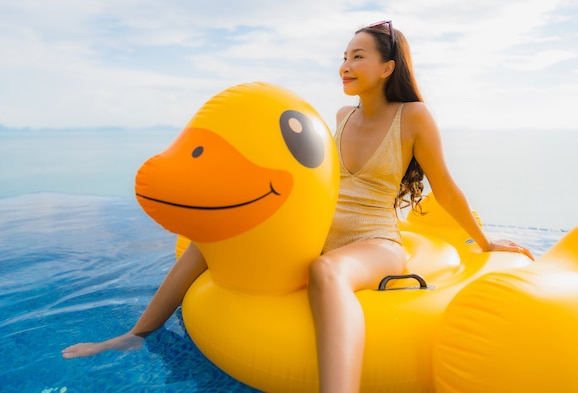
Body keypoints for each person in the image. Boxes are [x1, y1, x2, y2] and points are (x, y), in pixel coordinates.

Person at [62, 20, 534, 393]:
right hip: (318, 230)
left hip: (376, 242)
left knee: (328, 274)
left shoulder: (413, 117)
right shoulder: (341, 115)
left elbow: (446, 187)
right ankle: (135, 334)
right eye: (343, 57)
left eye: (357, 56)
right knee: (214, 242)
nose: (345, 65)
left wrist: (485, 240)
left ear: (388, 67)